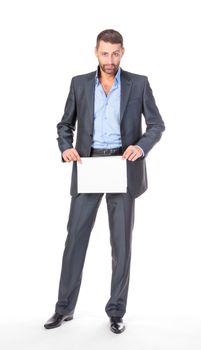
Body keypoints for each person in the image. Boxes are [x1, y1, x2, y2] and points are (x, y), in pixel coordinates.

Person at [44, 29, 165, 334]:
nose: (109, 60)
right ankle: (64, 309)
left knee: (121, 244)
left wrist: (141, 146)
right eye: (104, 53)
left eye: (114, 53)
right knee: (75, 241)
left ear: (122, 52)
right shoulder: (80, 83)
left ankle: (116, 312)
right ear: (95, 52)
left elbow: (156, 124)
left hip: (123, 168)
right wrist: (65, 147)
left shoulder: (139, 83)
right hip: (89, 165)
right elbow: (64, 124)